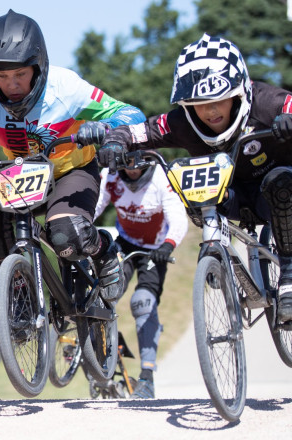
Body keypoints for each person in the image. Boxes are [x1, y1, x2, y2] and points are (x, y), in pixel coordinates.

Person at [0, 10, 146, 303]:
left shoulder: (67, 88)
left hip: (71, 171)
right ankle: (16, 284)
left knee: (66, 236)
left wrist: (105, 127)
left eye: (20, 75)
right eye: (1, 76)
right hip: (21, 174)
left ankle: (104, 252)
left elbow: (131, 114)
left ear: (38, 67)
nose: (11, 85)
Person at [99, 33, 292, 324]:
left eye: (219, 100)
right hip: (230, 196)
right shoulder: (181, 121)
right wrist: (115, 141)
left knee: (280, 182)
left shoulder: (267, 103)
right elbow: (139, 131)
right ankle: (219, 258)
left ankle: (289, 273)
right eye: (199, 103)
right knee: (192, 188)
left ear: (240, 92)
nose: (211, 111)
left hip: (276, 194)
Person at [94, 162, 188, 399]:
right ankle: (101, 360)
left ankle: (147, 377)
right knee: (105, 293)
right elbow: (94, 208)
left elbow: (178, 217)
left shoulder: (161, 177)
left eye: (138, 167)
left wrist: (169, 245)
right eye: (127, 166)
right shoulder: (111, 176)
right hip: (125, 243)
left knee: (143, 301)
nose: (133, 172)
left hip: (156, 249)